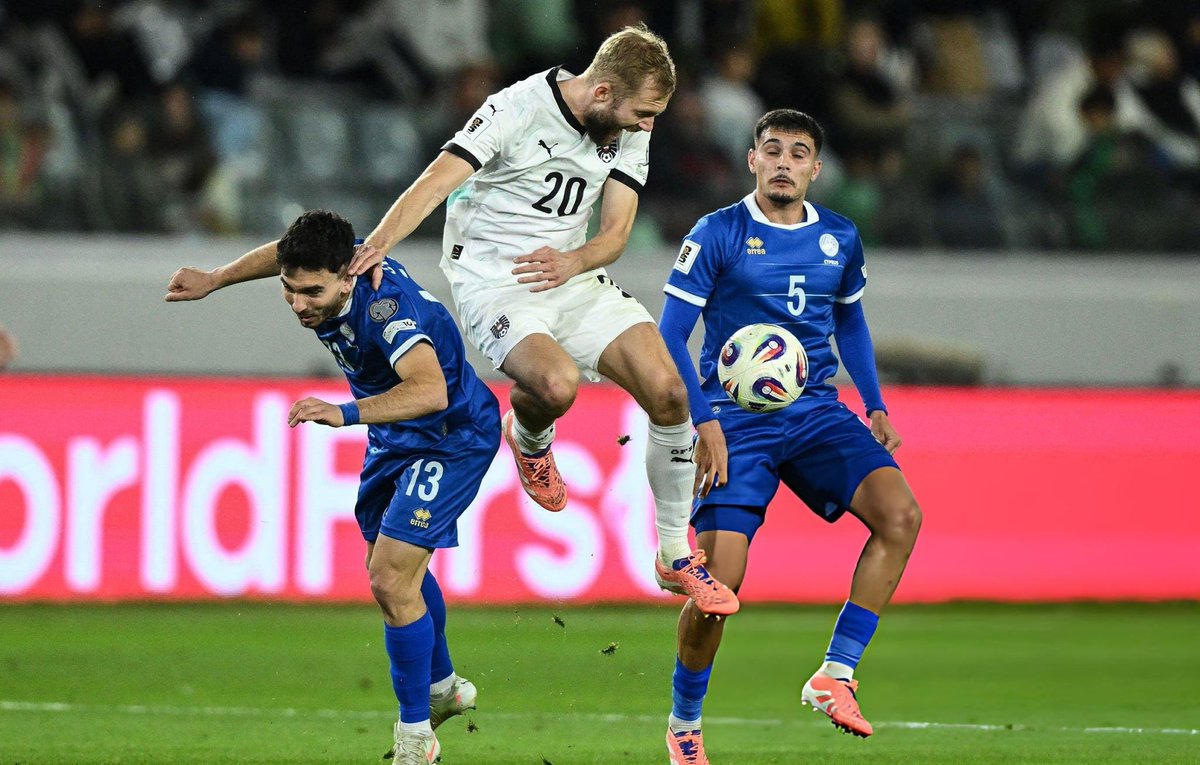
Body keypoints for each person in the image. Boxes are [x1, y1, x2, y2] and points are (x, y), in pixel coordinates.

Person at [164, 24, 738, 615]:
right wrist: (380, 242)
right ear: (602, 93)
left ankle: (674, 555)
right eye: (642, 113)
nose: (647, 126)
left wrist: (575, 258)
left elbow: (615, 232)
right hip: (496, 279)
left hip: (570, 272)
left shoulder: (629, 127)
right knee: (555, 384)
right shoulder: (516, 108)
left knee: (668, 392)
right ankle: (531, 435)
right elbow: (438, 179)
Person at [170, 210, 500, 764]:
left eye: (312, 292)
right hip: (395, 436)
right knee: (392, 573)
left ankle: (416, 738)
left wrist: (343, 412)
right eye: (289, 290)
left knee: (391, 578)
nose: (299, 304)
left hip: (449, 434)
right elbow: (282, 250)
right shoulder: (328, 267)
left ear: (348, 275)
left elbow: (431, 390)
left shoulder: (388, 310)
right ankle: (442, 686)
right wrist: (216, 278)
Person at [656, 109, 922, 763]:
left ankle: (836, 672)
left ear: (814, 169)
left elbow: (850, 322)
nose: (783, 161)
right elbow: (669, 332)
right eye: (771, 149)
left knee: (901, 515)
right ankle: (684, 721)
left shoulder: (839, 236)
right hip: (734, 422)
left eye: (797, 152)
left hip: (815, 414)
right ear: (752, 160)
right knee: (720, 588)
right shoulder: (717, 232)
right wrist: (705, 420)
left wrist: (876, 403)